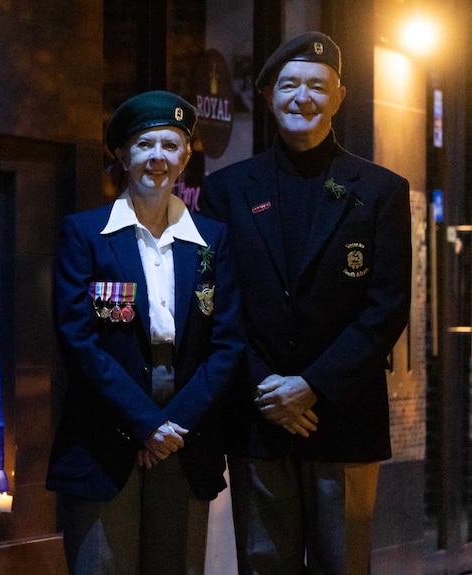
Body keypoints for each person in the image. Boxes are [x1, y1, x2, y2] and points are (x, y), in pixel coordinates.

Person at [201, 32, 412, 574]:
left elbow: (386, 308)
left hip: (342, 417)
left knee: (342, 565)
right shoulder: (226, 189)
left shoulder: (381, 189)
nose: (303, 97)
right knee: (262, 564)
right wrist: (266, 387)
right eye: (289, 85)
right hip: (258, 411)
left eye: (317, 86)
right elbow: (217, 303)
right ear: (269, 95)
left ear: (339, 97)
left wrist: (311, 385)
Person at [46, 90, 245, 575]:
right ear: (122, 154)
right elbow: (79, 342)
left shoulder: (212, 241)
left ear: (185, 158)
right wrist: (145, 424)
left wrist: (172, 426)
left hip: (185, 436)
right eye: (145, 145)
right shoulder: (85, 234)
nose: (158, 158)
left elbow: (228, 343)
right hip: (104, 439)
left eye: (171, 146)